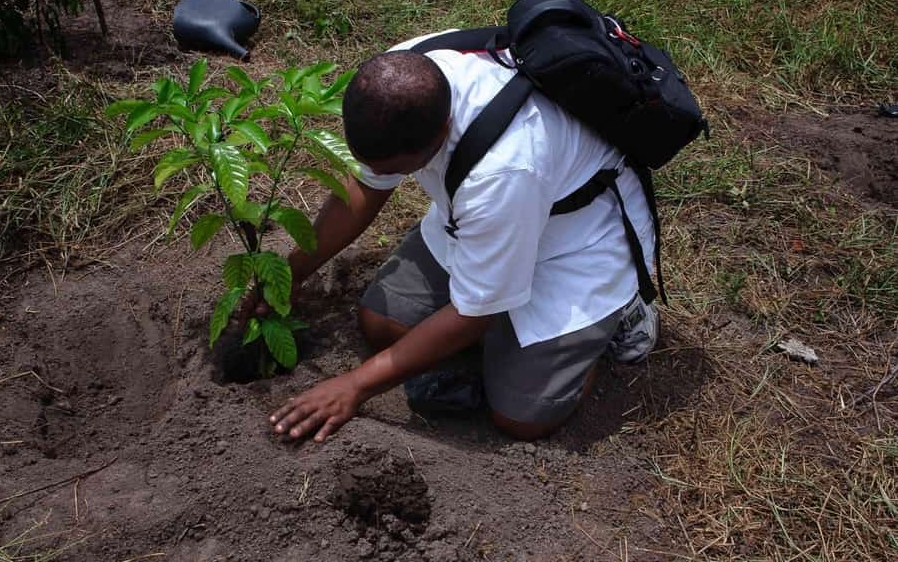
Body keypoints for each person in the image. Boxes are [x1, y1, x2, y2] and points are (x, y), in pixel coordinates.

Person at [266, 34, 659, 443]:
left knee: (523, 415)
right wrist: (292, 272)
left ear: (444, 131)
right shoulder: (402, 73)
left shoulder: (502, 170)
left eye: (397, 169)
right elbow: (367, 186)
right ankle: (514, 328)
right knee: (381, 321)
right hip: (496, 216)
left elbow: (476, 315)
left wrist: (355, 386)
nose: (381, 175)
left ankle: (620, 316)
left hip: (581, 241)